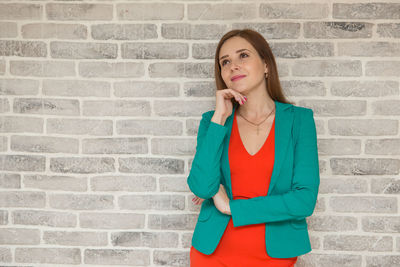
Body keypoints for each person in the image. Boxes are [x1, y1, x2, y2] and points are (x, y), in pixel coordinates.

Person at [187, 29, 320, 267]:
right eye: (225, 62)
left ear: (266, 65)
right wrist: (220, 118)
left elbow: (304, 201)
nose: (233, 66)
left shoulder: (299, 121)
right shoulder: (213, 121)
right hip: (212, 254)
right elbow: (201, 186)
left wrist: (231, 207)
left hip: (274, 256)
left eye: (243, 56)